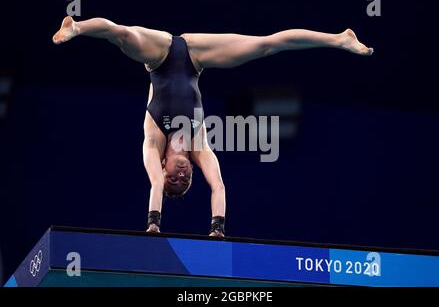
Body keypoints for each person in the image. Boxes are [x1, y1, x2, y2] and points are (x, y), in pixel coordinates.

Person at [52, 16, 373, 237]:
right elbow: (218, 187)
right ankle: (339, 39)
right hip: (196, 56)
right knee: (267, 46)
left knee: (121, 35)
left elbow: (153, 184)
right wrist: (217, 228)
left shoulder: (152, 142)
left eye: (172, 181)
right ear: (191, 171)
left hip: (159, 54)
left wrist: (153, 224)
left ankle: (77, 26)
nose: (179, 177)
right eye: (184, 182)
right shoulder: (200, 145)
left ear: (163, 167)